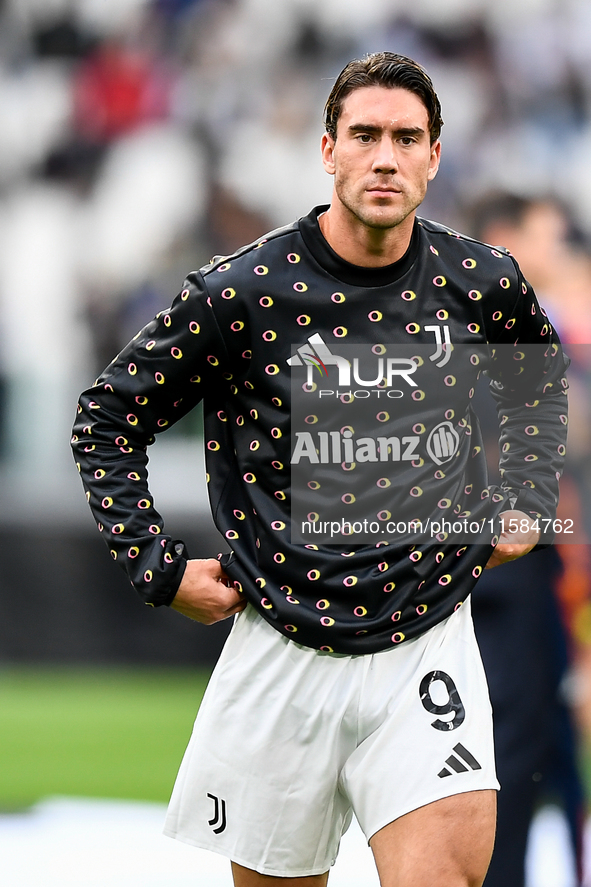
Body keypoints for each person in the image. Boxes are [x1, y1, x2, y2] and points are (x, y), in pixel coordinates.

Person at [71, 53, 569, 887]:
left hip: (427, 638)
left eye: (405, 138)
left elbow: (535, 386)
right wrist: (154, 569)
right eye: (365, 135)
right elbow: (107, 417)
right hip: (281, 643)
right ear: (328, 150)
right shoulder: (243, 291)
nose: (385, 157)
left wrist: (524, 494)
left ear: (434, 156)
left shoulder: (480, 280)